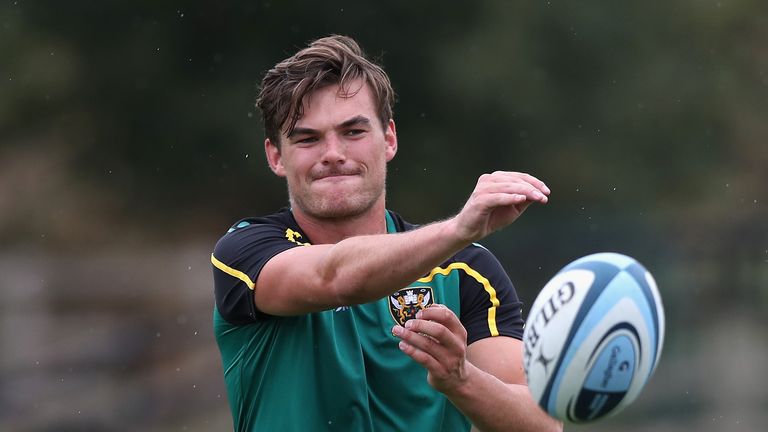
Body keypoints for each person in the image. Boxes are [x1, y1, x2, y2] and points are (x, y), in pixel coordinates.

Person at [211, 35, 562, 432]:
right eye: (308, 138)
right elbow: (336, 277)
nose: (333, 153)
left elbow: (543, 425)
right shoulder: (244, 253)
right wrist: (458, 228)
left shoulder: (465, 270)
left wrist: (461, 380)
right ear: (276, 156)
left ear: (389, 139)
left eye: (353, 132)